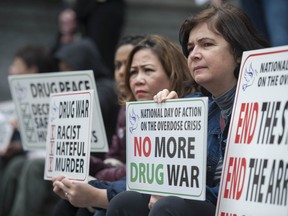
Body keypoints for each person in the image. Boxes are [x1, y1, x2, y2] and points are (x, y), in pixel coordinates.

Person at [106, 3, 269, 216]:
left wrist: (175, 195)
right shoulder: (194, 107)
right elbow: (158, 178)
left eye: (206, 44)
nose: (194, 55)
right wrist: (166, 126)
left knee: (168, 206)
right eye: (191, 48)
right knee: (125, 202)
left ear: (238, 53)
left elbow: (247, 194)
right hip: (205, 203)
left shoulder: (267, 107)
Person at [52, 34, 197, 216]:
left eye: (148, 70)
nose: (137, 80)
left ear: (173, 72)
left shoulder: (192, 114)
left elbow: (143, 177)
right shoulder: (128, 111)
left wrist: (97, 189)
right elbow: (117, 160)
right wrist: (77, 162)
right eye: (133, 72)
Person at [52, 35, 145, 216]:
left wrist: (97, 180)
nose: (121, 72)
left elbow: (139, 170)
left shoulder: (107, 92)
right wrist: (80, 161)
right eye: (118, 65)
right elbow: (114, 157)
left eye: (131, 67)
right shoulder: (126, 107)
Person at [0, 44, 57, 216]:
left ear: (32, 70)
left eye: (16, 65)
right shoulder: (22, 99)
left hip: (44, 162)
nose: (11, 70)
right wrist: (19, 145)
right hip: (29, 157)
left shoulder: (53, 97)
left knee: (31, 167)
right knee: (16, 166)